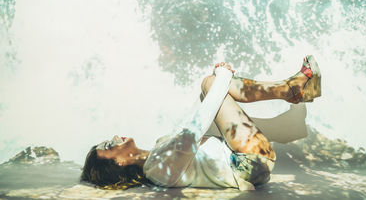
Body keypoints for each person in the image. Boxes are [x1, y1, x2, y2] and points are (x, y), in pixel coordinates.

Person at [81, 55, 321, 190]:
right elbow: (195, 129)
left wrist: (216, 85)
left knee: (211, 87)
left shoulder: (158, 157)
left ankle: (292, 90)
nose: (113, 139)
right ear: (119, 163)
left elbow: (191, 125)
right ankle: (292, 89)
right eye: (107, 147)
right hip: (250, 162)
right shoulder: (157, 168)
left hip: (249, 162)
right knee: (211, 84)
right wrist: (222, 78)